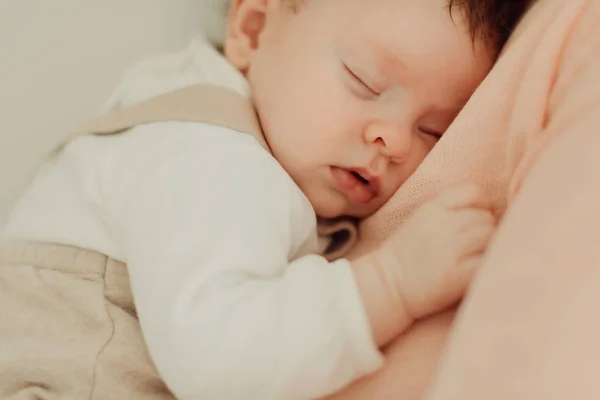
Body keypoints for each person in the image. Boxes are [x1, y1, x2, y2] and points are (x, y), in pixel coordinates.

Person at [0, 0, 525, 399]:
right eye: (363, 81)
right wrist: (393, 283)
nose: (396, 140)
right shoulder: (212, 156)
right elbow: (220, 362)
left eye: (434, 130)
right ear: (253, 29)